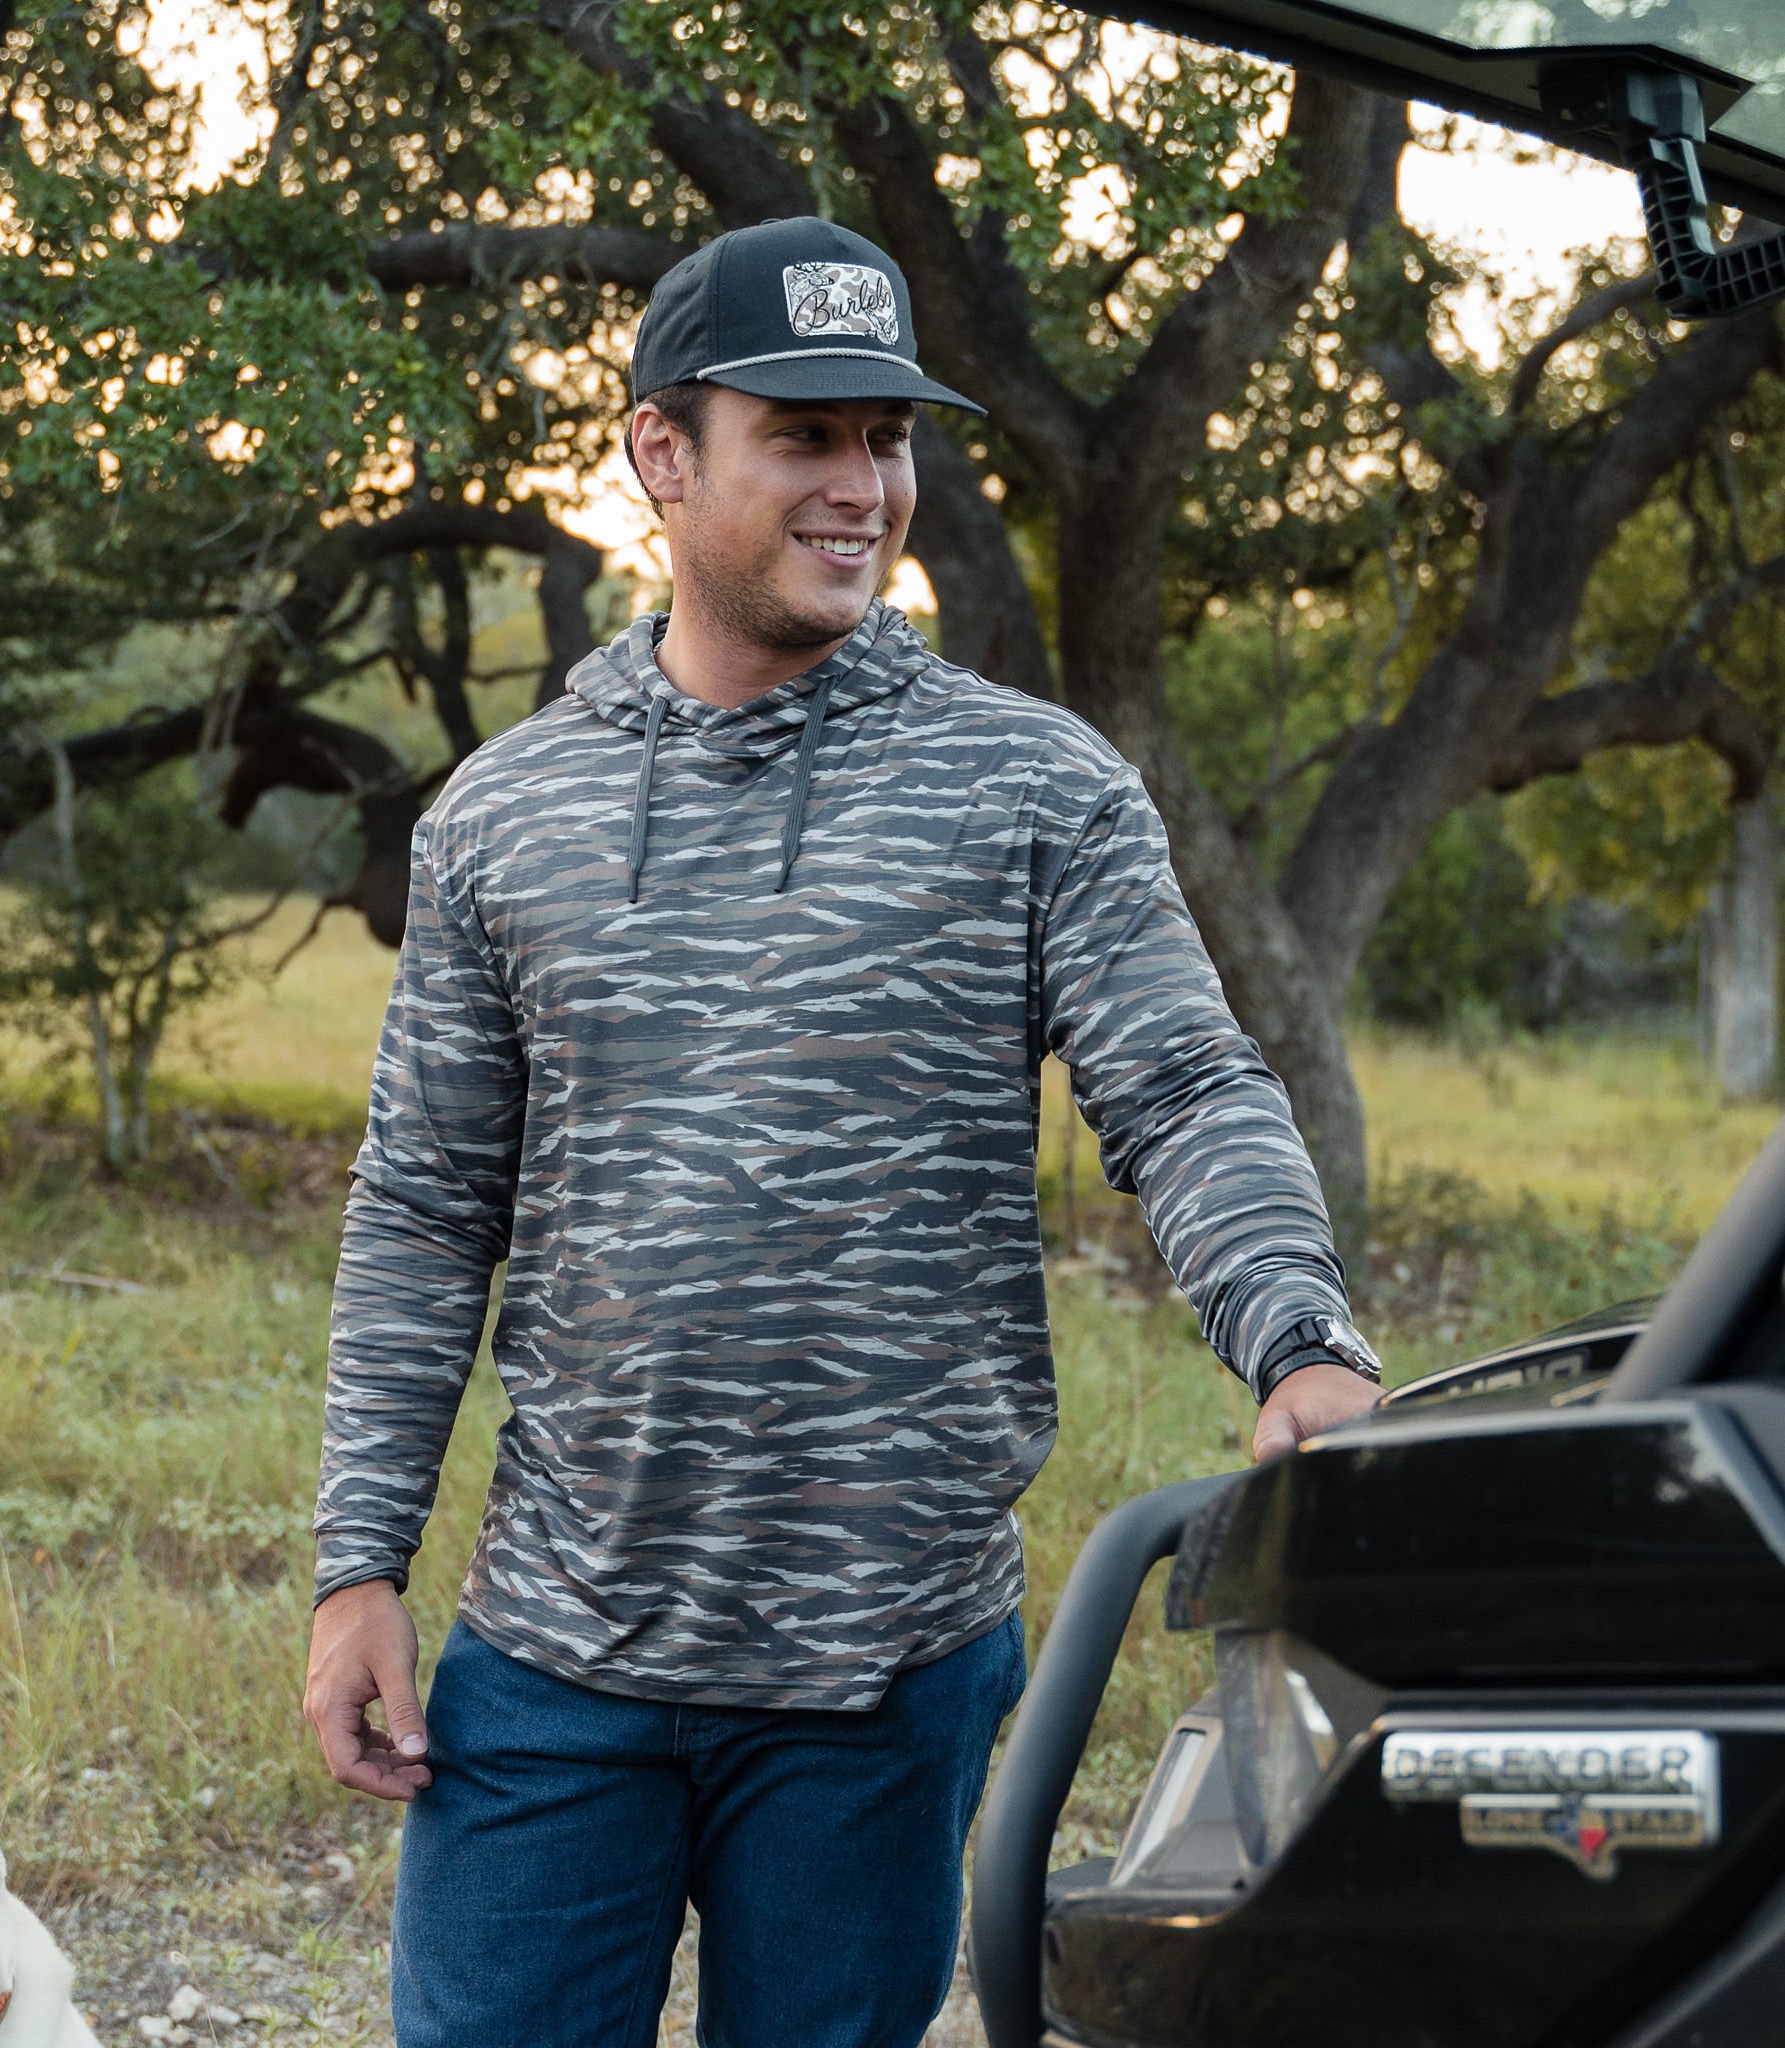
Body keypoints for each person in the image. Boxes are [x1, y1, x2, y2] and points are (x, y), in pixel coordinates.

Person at [302, 216, 1382, 2048]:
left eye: (886, 437)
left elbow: (1186, 1085)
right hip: (556, 1653)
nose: (861, 488)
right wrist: (357, 1568)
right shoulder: (503, 815)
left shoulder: (1032, 785)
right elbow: (422, 1206)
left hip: (885, 1667)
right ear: (661, 453)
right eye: (802, 435)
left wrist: (1299, 1338)